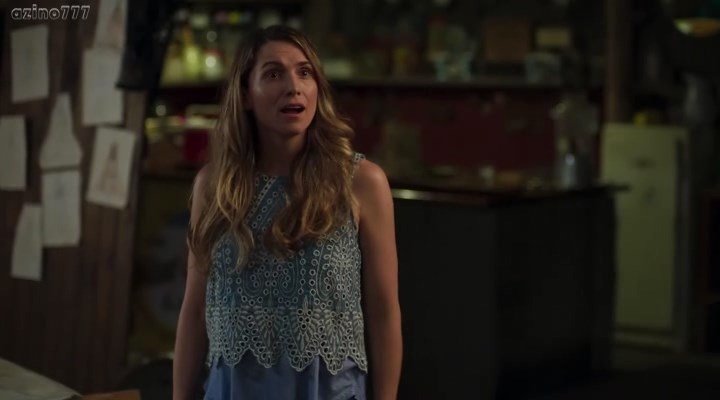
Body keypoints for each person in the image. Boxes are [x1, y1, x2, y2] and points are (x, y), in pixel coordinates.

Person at [172, 25, 402, 400]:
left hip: (326, 390)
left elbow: (384, 312)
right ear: (246, 94)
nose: (293, 86)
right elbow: (195, 310)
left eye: (304, 72)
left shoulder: (361, 182)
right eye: (274, 74)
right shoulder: (215, 187)